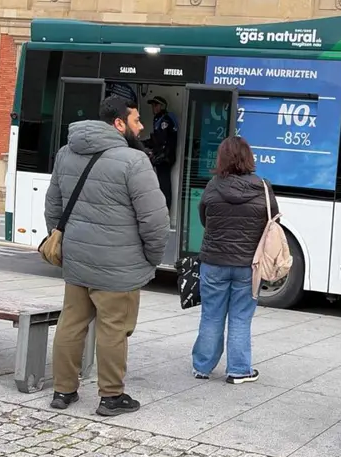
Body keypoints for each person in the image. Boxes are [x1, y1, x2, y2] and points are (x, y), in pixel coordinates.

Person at [45, 95, 170, 417]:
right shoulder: (134, 161)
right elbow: (155, 220)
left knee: (71, 324)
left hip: (77, 261)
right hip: (119, 266)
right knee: (114, 329)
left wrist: (66, 246)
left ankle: (63, 390)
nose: (141, 128)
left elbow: (53, 207)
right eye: (136, 120)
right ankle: (111, 397)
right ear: (118, 123)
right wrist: (151, 257)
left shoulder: (66, 153)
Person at [192, 136, 279, 384]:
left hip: (214, 262)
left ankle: (202, 367)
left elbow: (204, 218)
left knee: (211, 315)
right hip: (248, 265)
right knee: (241, 317)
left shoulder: (212, 186)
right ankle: (239, 370)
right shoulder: (263, 187)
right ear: (249, 157)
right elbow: (273, 222)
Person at [144, 96, 179, 211]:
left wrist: (155, 153)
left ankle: (165, 211)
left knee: (164, 185)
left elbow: (162, 140)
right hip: (162, 156)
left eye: (156, 105)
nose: (153, 107)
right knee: (161, 183)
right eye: (152, 105)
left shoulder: (165, 120)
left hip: (165, 158)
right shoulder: (158, 118)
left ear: (162, 106)